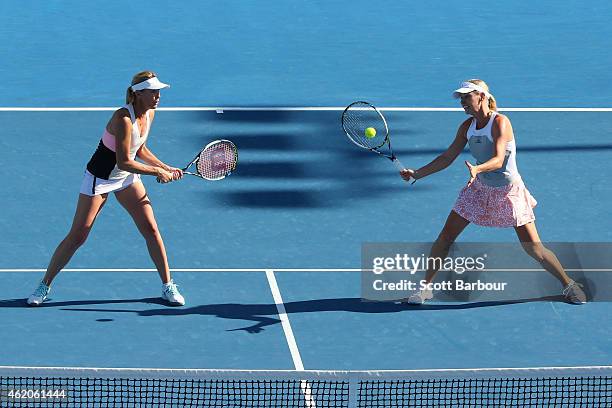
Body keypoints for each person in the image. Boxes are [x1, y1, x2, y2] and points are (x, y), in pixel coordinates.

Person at [400, 79, 586, 305]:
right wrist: (417, 174)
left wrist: (477, 168)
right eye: (461, 98)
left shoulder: (501, 122)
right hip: (479, 190)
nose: (462, 102)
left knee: (534, 249)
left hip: (508, 192)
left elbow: (498, 159)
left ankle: (568, 284)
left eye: (467, 97)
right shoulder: (466, 127)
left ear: (482, 96)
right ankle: (425, 288)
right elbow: (447, 157)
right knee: (445, 236)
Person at [27, 71, 186, 306]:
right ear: (139, 93)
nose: (158, 96)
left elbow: (139, 148)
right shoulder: (122, 119)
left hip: (126, 178)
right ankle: (44, 286)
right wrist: (157, 173)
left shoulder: (150, 114)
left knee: (151, 229)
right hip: (99, 179)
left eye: (159, 91)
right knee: (78, 235)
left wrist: (165, 166)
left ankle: (167, 285)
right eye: (153, 92)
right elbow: (124, 160)